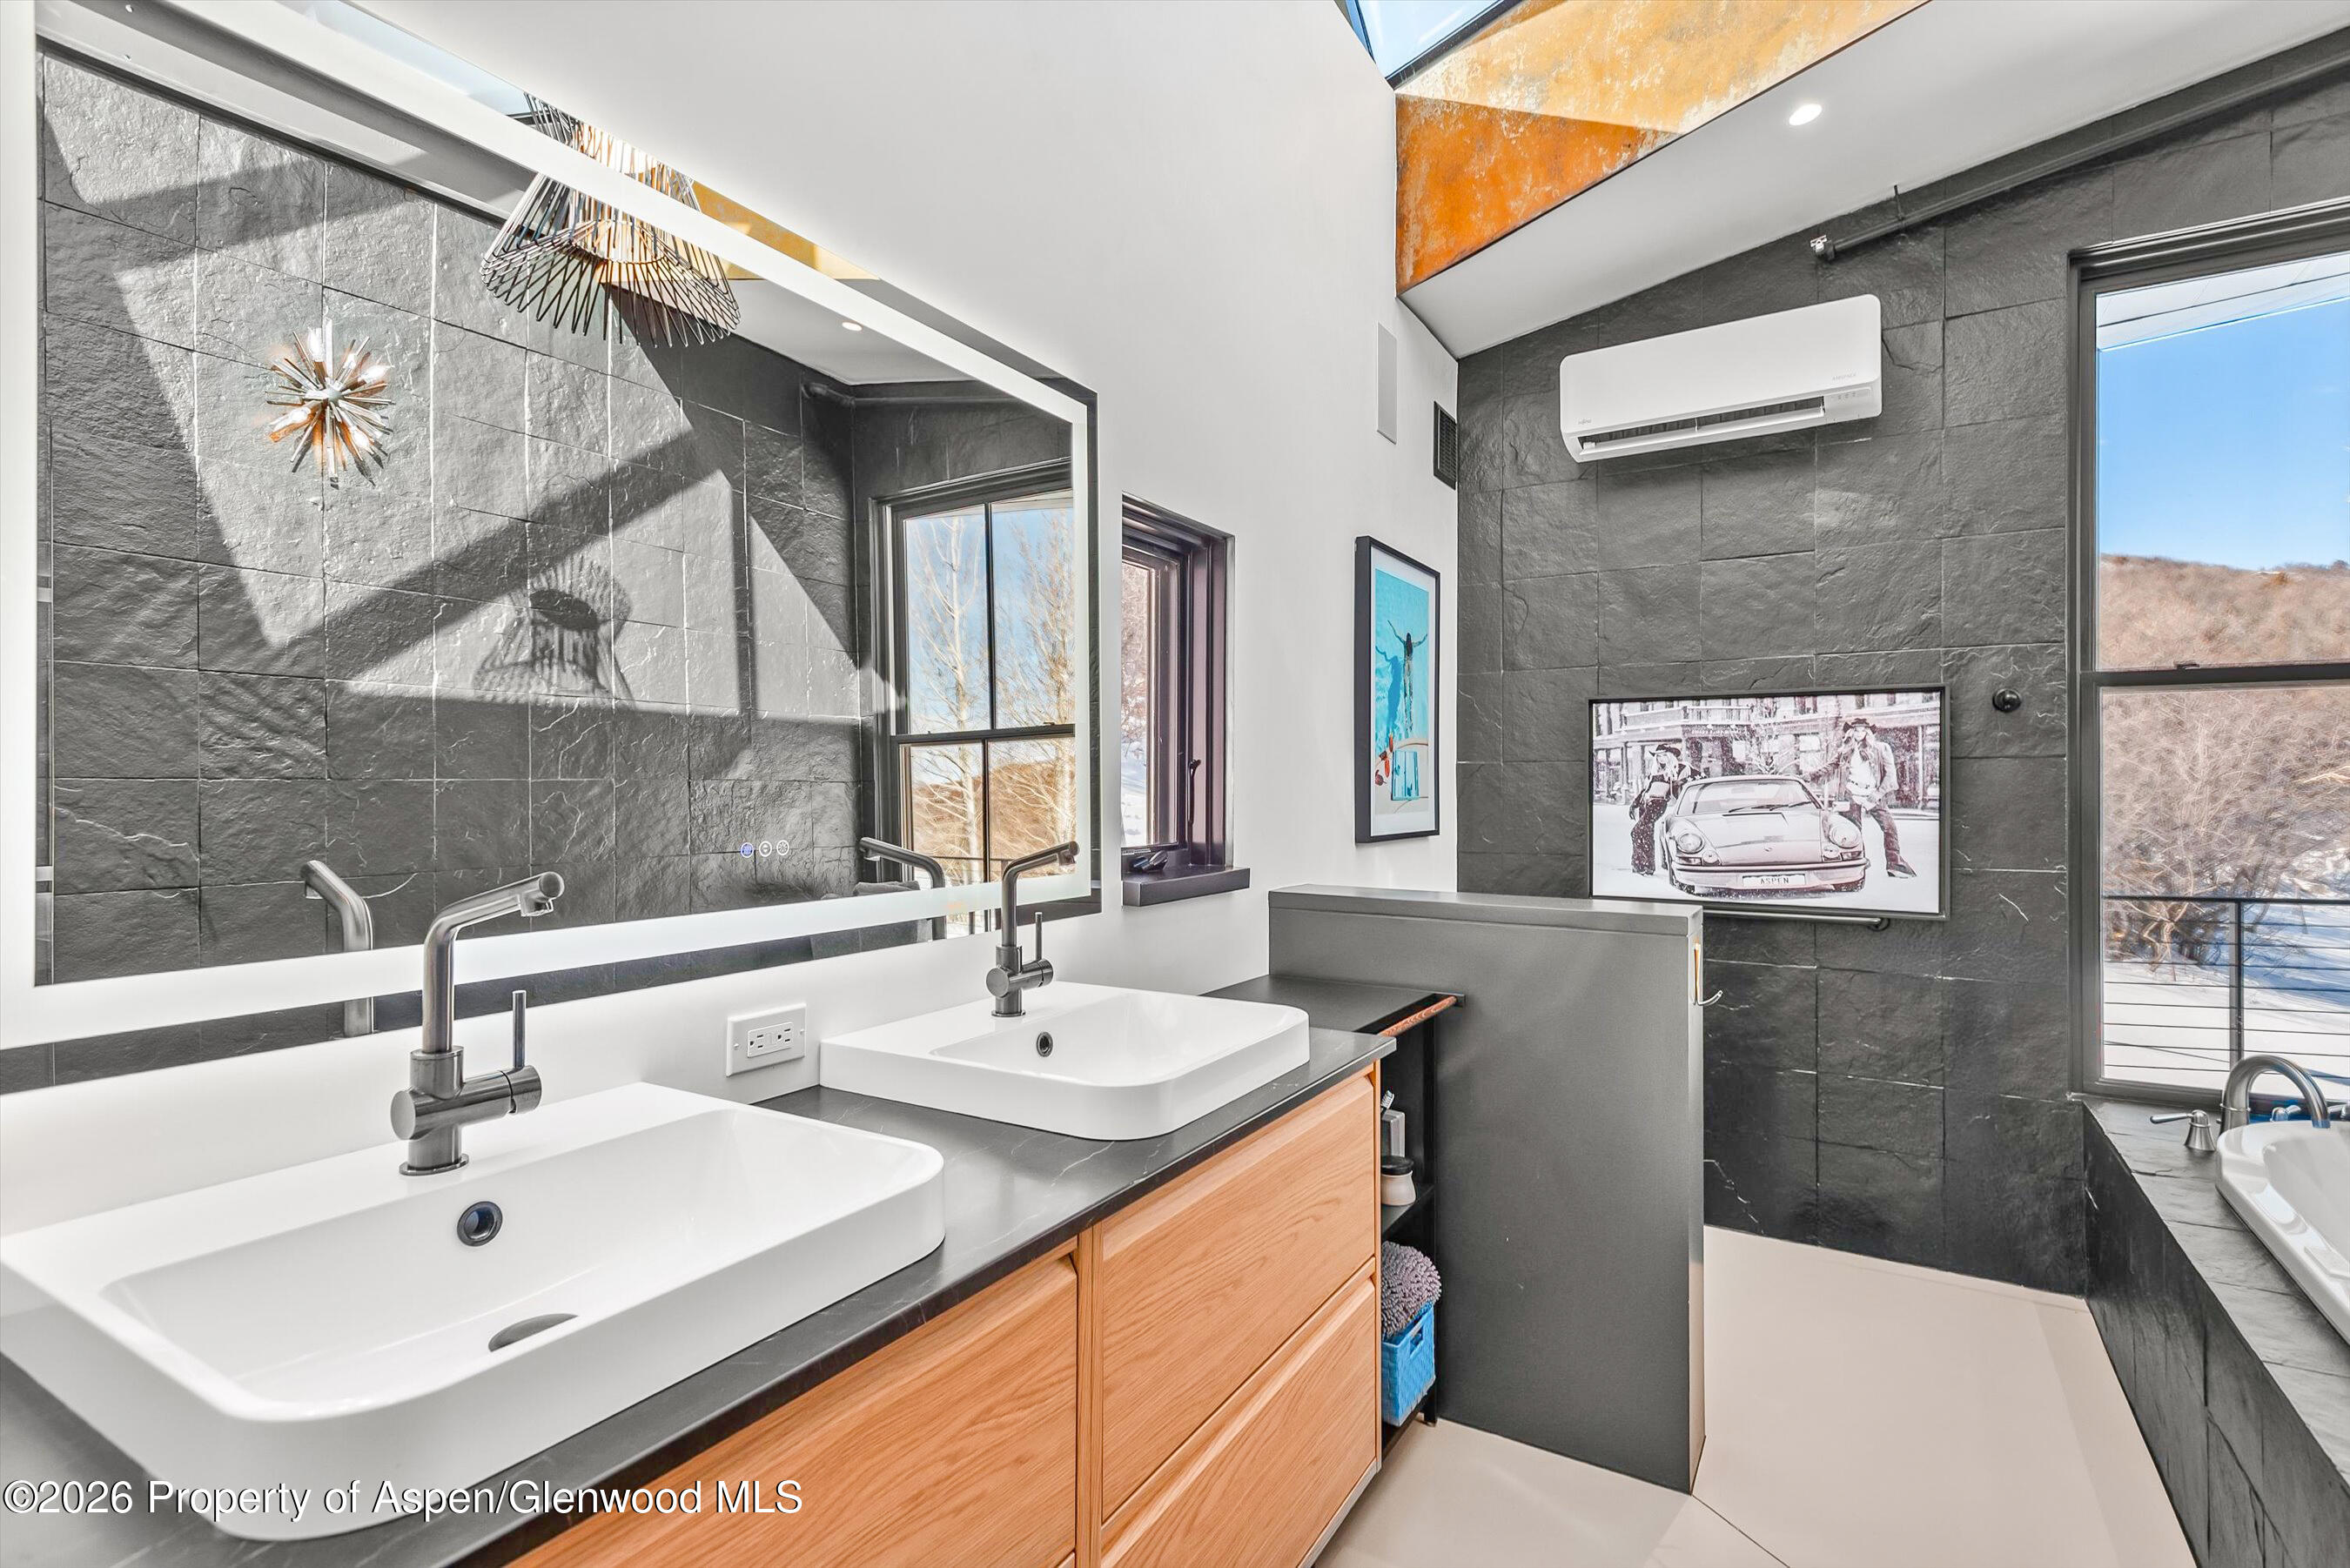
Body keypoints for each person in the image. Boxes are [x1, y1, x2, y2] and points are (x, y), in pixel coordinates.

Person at [1818, 717, 1917, 878]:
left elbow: (1890, 776)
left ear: (1868, 732)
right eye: (1856, 730)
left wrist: (1877, 794)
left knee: (1890, 828)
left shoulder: (1880, 748)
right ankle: (1856, 862)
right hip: (1851, 793)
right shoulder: (1845, 751)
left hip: (1873, 794)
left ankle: (1895, 864)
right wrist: (1809, 776)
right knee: (1854, 830)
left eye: (1863, 730)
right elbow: (1829, 768)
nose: (1859, 733)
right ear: (1851, 732)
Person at [1628, 744, 1689, 876]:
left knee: (1636, 832)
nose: (1661, 759)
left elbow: (1687, 783)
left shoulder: (1678, 769)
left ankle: (1640, 863)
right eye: (1658, 756)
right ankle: (1646, 866)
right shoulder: (1654, 772)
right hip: (1645, 803)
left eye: (1664, 756)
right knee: (1646, 833)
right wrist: (1634, 804)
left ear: (1670, 756)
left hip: (1658, 803)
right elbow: (1645, 790)